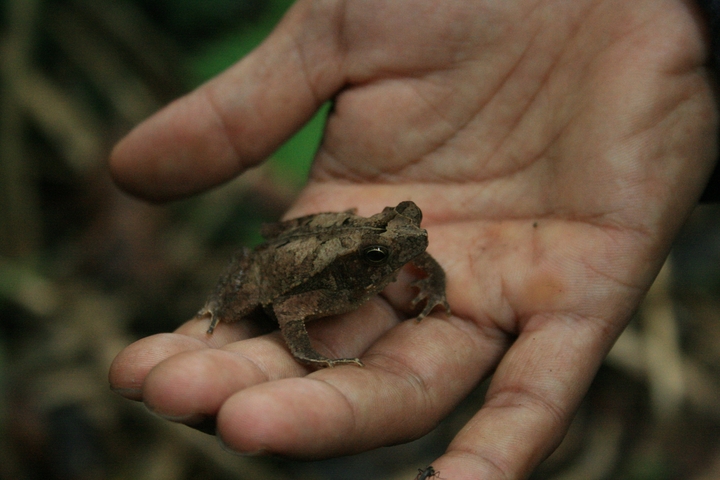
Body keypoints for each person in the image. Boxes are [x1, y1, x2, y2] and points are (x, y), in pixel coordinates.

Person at [107, 1, 718, 478]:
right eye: (389, 250)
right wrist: (315, 355)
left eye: (411, 224)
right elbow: (290, 307)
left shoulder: (397, 245)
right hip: (291, 269)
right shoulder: (335, 284)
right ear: (366, 263)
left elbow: (418, 256)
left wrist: (432, 291)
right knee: (243, 294)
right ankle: (217, 306)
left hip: (336, 241)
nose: (413, 243)